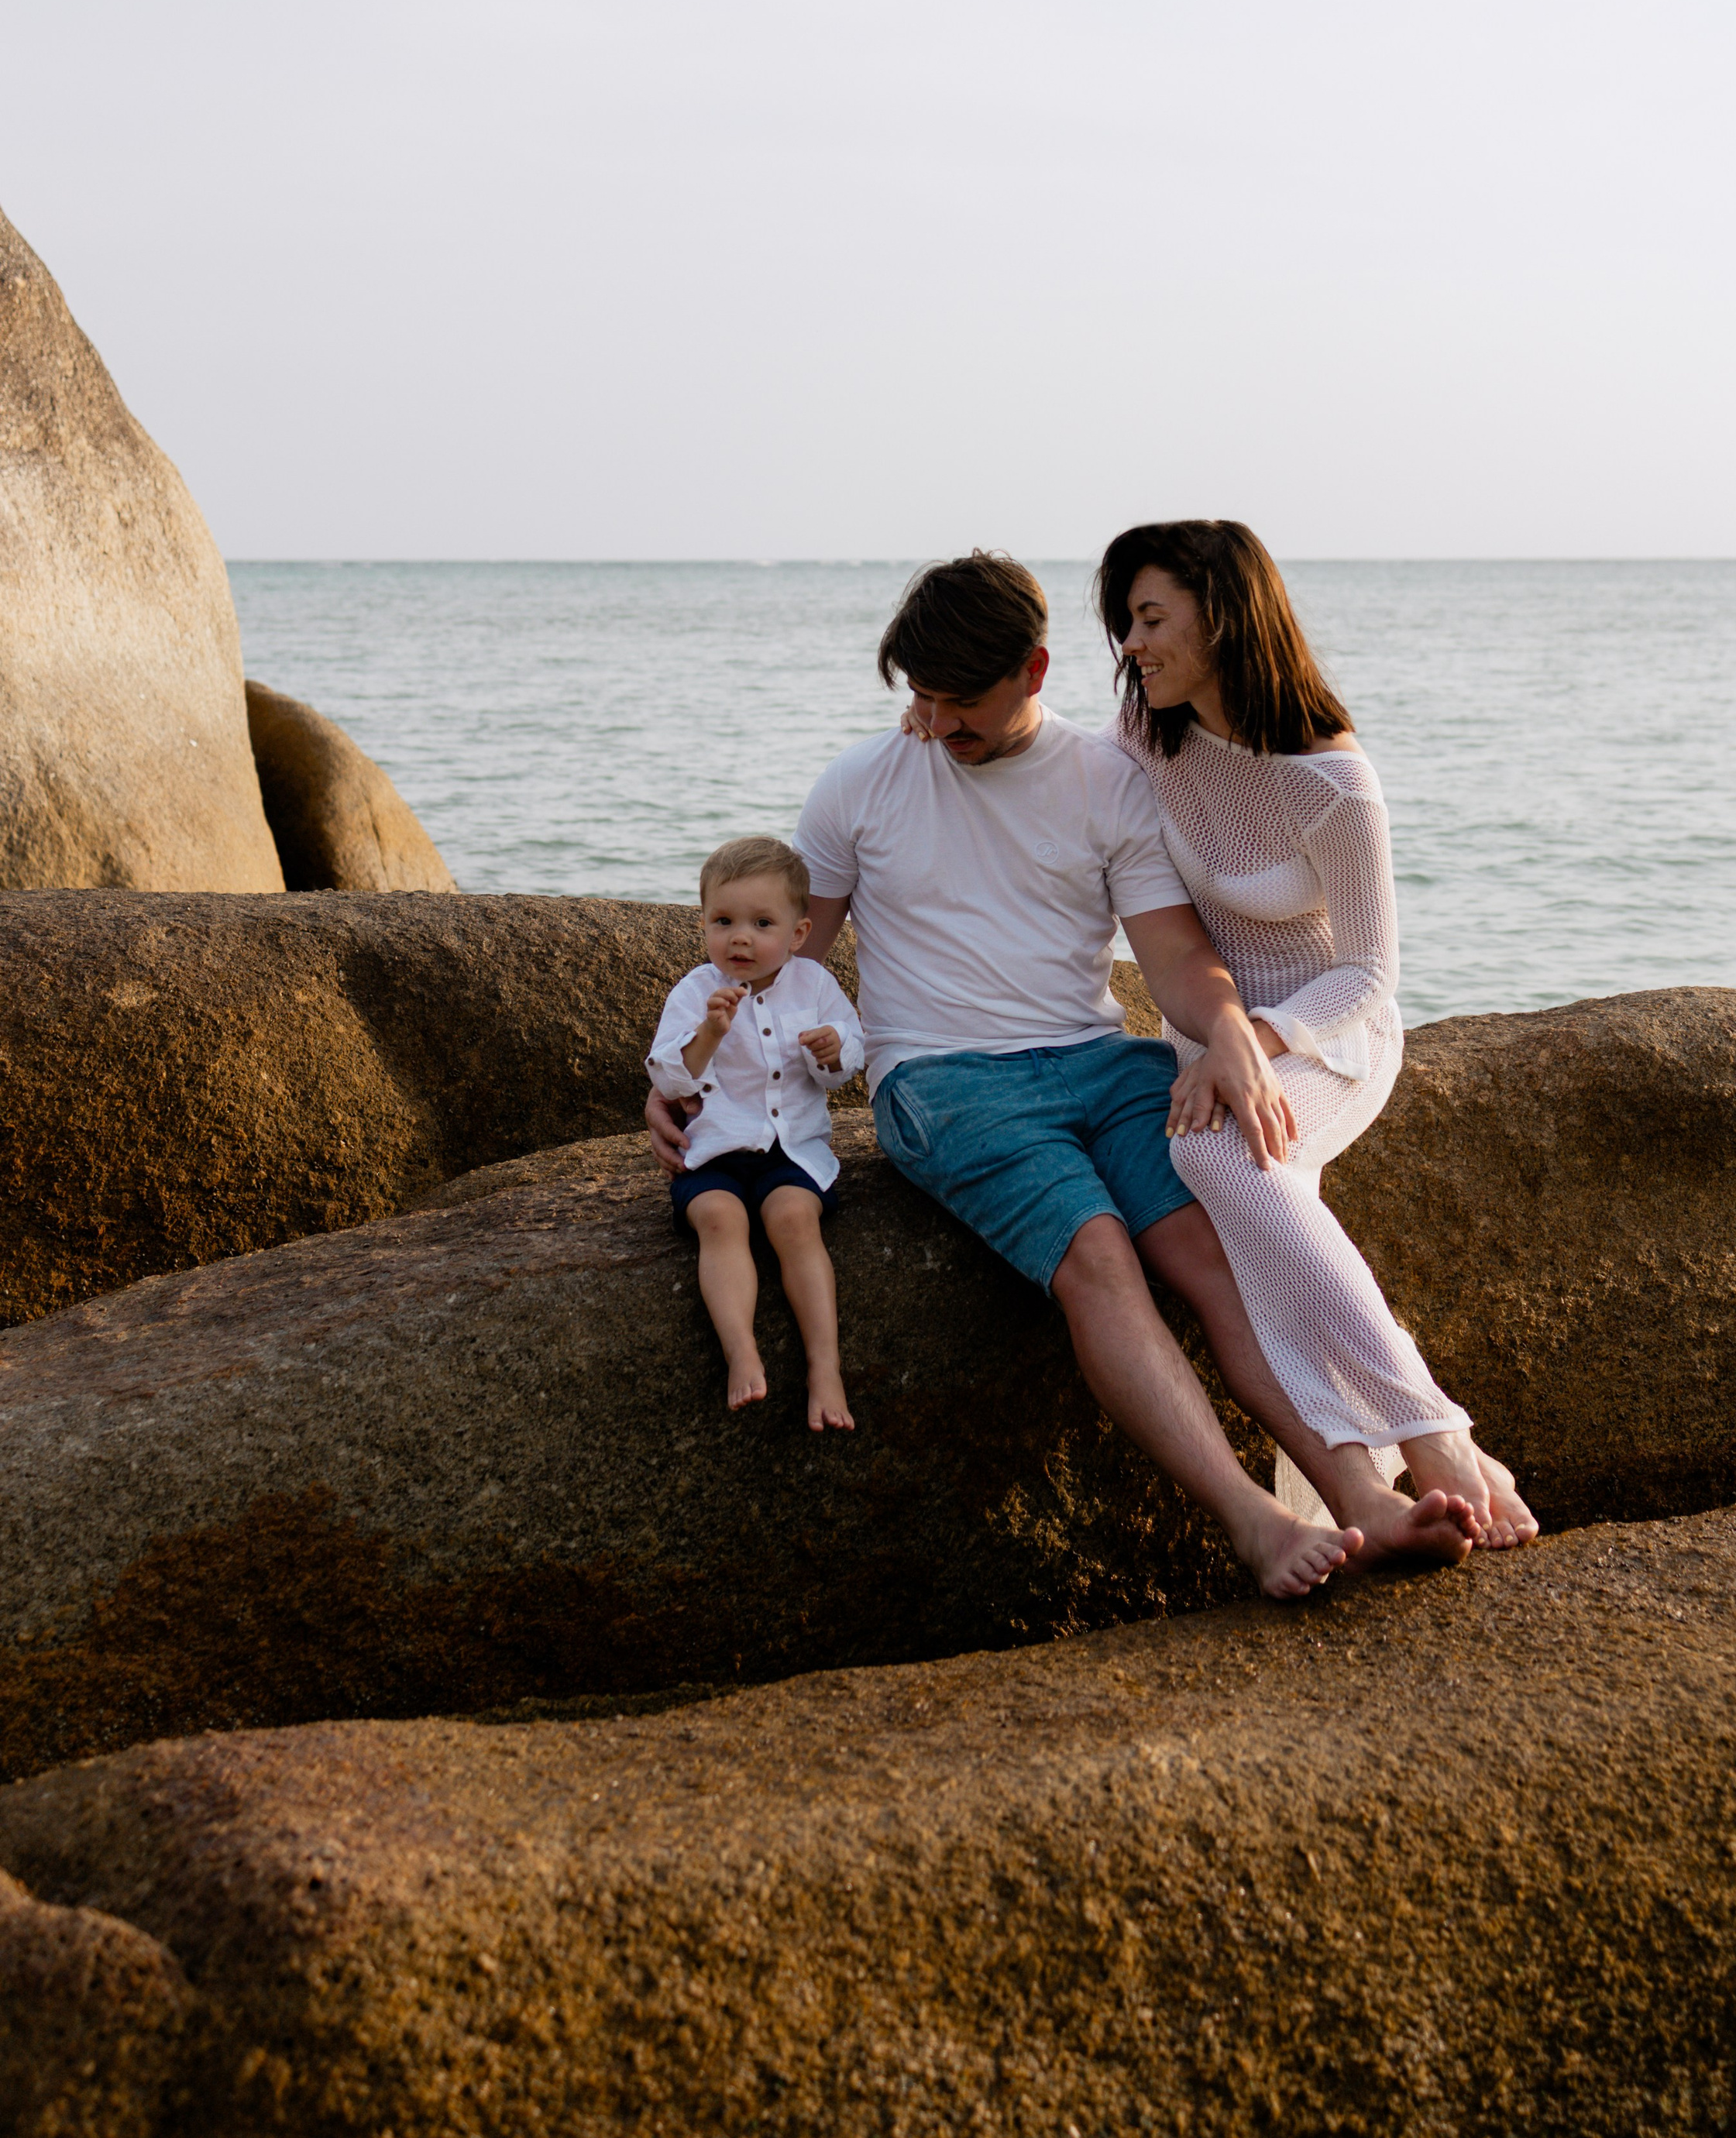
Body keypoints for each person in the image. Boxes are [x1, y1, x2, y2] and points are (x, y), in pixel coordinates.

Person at [648, 553, 1480, 1593]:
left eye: (965, 701)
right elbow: (778, 960)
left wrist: (1229, 1030)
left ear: (1035, 671)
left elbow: (1174, 955)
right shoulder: (861, 784)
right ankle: (1254, 1521)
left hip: (1099, 1060)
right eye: (924, 696)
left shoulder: (1105, 778)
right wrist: (684, 1073)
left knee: (1218, 1247)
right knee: (1098, 1256)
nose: (939, 722)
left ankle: (1365, 1498)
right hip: (944, 1080)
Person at [1098, 518, 1538, 1553]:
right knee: (1246, 1196)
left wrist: (1251, 1037)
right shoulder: (1143, 736)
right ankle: (1436, 1445)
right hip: (1206, 1030)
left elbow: (1369, 974)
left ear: (1224, 615)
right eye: (1125, 622)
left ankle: (1429, 1439)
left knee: (1217, 1147)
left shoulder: (1335, 780)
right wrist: (937, 724)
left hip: (1328, 1030)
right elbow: (1053, 770)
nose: (1132, 643)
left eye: (1152, 617)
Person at [647, 836, 864, 1434]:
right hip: (714, 1151)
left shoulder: (815, 983)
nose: (739, 937)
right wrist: (710, 1033)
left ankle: (826, 1366)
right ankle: (740, 1348)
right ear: (704, 923)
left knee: (795, 1220)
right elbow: (667, 1074)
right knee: (720, 1220)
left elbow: (850, 1057)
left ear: (797, 933)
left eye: (761, 922)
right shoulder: (696, 991)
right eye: (723, 921)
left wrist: (833, 1048)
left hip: (790, 1148)